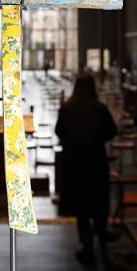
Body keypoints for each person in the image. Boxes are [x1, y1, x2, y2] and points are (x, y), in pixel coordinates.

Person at [55, 74, 119, 262]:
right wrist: (96, 141)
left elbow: (59, 131)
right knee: (98, 200)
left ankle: (87, 244)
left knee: (81, 206)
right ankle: (103, 238)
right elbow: (111, 131)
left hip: (74, 163)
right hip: (96, 161)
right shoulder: (100, 109)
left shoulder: (67, 109)